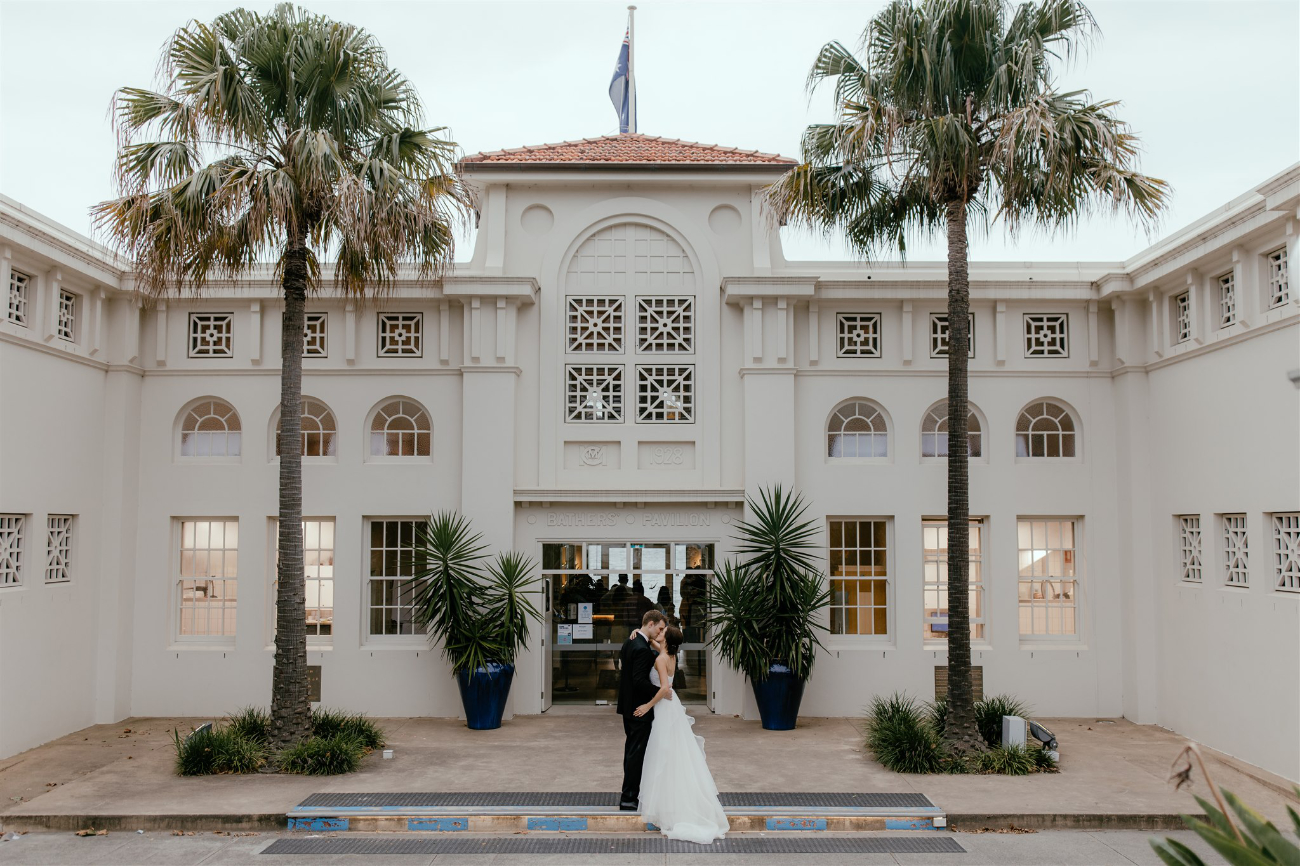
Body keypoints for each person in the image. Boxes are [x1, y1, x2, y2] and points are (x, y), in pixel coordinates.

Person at [633, 624, 729, 844]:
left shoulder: (660, 659)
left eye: (662, 633)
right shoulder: (671, 655)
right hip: (672, 705)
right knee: (676, 752)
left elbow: (665, 689)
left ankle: (667, 806)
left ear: (666, 639)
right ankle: (673, 801)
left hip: (664, 707)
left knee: (664, 752)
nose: (659, 634)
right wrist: (641, 634)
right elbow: (656, 645)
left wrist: (647, 705)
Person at [617, 610, 667, 811]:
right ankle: (629, 797)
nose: (660, 632)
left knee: (631, 752)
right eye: (660, 628)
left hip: (628, 707)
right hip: (639, 710)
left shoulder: (631, 641)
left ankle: (629, 794)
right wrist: (661, 692)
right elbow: (639, 681)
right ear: (651, 624)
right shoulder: (642, 648)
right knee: (636, 754)